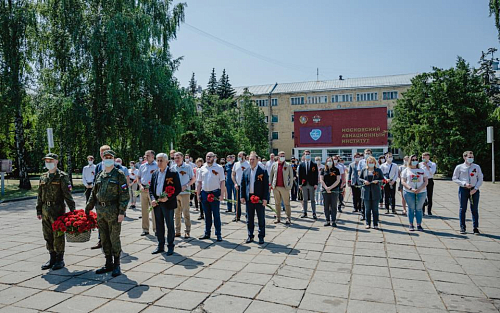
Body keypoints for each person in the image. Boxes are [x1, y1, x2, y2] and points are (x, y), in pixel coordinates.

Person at [85, 150, 129, 277]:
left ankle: (117, 265)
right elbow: (94, 193)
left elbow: (124, 195)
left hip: (113, 211)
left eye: (110, 157)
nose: (108, 159)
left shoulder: (119, 175)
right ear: (103, 159)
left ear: (114, 159)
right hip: (101, 211)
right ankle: (108, 262)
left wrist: (122, 212)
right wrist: (88, 209)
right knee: (104, 238)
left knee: (114, 238)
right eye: (106, 157)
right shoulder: (100, 174)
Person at [37, 153, 76, 271]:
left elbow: (68, 196)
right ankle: (52, 257)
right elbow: (39, 195)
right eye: (47, 161)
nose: (48, 163)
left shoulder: (62, 176)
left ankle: (60, 259)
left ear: (56, 162)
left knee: (58, 235)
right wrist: (39, 210)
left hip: (57, 210)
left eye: (51, 160)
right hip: (45, 210)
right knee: (47, 235)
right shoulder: (43, 176)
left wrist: (73, 212)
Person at [150, 153, 181, 255]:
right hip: (157, 203)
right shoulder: (155, 173)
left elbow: (178, 188)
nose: (159, 163)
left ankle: (170, 245)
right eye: (157, 160)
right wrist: (153, 199)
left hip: (168, 203)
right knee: (159, 225)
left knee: (169, 225)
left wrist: (167, 197)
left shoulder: (173, 173)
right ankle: (160, 245)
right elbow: (151, 189)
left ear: (167, 162)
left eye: (161, 160)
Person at [240, 152, 269, 244]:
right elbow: (243, 185)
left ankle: (261, 236)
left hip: (259, 198)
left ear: (257, 160)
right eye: (250, 159)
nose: (251, 161)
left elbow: (266, 186)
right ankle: (250, 235)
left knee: (261, 218)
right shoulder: (246, 171)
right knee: (249, 218)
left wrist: (265, 198)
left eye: (253, 159)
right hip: (249, 198)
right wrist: (242, 196)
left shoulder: (263, 171)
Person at [452, 151, 483, 235]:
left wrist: (475, 188)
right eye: (469, 157)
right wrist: (464, 184)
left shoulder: (476, 167)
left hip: (474, 190)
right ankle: (462, 227)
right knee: (463, 208)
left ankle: (475, 227)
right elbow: (454, 178)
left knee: (474, 209)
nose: (471, 159)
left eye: (472, 157)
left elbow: (480, 178)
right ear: (465, 157)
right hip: (463, 189)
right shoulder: (459, 167)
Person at [197, 152, 225, 241]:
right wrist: (198, 194)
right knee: (207, 215)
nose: (208, 158)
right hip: (205, 193)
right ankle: (207, 233)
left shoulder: (219, 168)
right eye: (207, 156)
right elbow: (199, 182)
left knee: (216, 215)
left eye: (210, 157)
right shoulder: (202, 168)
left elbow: (222, 182)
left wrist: (222, 194)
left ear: (214, 158)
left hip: (215, 193)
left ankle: (218, 234)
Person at [401, 154, 428, 231]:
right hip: (409, 192)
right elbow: (403, 181)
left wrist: (419, 189)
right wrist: (411, 188)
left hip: (421, 192)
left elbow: (426, 181)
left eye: (416, 160)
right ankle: (411, 224)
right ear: (410, 161)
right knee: (411, 208)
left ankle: (419, 224)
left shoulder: (422, 170)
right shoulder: (406, 170)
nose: (414, 161)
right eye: (413, 160)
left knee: (419, 208)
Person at [171, 152, 195, 238]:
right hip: (175, 193)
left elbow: (193, 178)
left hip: (185, 193)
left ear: (182, 158)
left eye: (178, 157)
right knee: (176, 213)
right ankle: (177, 231)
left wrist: (187, 185)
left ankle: (187, 231)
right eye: (175, 158)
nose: (176, 159)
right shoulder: (172, 168)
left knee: (186, 212)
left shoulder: (188, 167)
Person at [359, 156, 384, 229]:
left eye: (372, 162)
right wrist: (364, 181)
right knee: (367, 209)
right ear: (367, 163)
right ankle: (368, 223)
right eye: (369, 162)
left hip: (375, 191)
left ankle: (375, 224)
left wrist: (377, 181)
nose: (371, 163)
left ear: (375, 163)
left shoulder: (378, 170)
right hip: (366, 192)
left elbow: (382, 179)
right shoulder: (364, 170)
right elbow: (360, 178)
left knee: (375, 209)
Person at [269, 151, 294, 224]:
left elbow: (291, 176)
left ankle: (288, 217)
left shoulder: (288, 165)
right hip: (276, 187)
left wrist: (290, 186)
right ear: (278, 156)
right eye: (281, 156)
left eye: (283, 156)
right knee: (277, 203)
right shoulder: (274, 165)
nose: (282, 157)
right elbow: (271, 175)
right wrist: (270, 185)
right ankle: (278, 217)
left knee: (287, 203)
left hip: (284, 187)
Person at [137, 150, 158, 236]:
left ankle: (156, 229)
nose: (146, 157)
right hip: (143, 190)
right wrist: (140, 186)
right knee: (144, 210)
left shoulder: (157, 165)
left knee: (154, 210)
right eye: (145, 155)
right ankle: (145, 229)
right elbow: (138, 177)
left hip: (153, 190)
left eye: (148, 155)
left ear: (153, 156)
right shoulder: (142, 166)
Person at [320, 157, 341, 227]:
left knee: (333, 206)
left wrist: (330, 188)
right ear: (326, 162)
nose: (329, 162)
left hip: (334, 190)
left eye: (331, 161)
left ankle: (334, 220)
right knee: (326, 206)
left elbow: (338, 180)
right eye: (328, 161)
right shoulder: (323, 170)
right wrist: (326, 188)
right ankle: (327, 220)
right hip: (325, 190)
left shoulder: (336, 170)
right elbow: (321, 180)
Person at [298, 150, 318, 219]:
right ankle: (305, 212)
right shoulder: (301, 164)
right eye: (306, 154)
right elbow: (300, 175)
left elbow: (316, 175)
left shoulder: (314, 164)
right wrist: (299, 184)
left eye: (308, 154)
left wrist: (316, 184)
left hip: (312, 184)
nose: (307, 155)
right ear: (304, 155)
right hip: (304, 184)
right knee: (305, 199)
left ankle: (314, 213)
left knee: (312, 199)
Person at [232, 151, 250, 222]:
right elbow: (233, 175)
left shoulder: (248, 164)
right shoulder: (236, 164)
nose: (239, 157)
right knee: (237, 201)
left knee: (247, 201)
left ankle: (247, 215)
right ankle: (237, 215)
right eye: (238, 156)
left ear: (244, 156)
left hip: (246, 186)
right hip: (238, 185)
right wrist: (235, 183)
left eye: (240, 156)